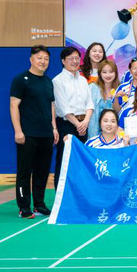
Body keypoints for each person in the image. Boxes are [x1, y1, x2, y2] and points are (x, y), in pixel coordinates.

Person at [10, 45, 58, 219]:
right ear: (31, 59)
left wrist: (54, 128)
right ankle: (24, 207)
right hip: (27, 134)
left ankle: (39, 204)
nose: (43, 61)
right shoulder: (21, 79)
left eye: (46, 58)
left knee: (42, 172)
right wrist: (18, 131)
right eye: (39, 58)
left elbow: (51, 106)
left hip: (46, 134)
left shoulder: (48, 82)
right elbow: (14, 105)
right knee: (24, 172)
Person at [53, 47, 94, 188]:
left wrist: (86, 122)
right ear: (63, 61)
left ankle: (79, 194)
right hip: (67, 125)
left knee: (81, 160)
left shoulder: (83, 80)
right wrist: (78, 124)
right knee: (64, 160)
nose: (75, 61)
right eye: (71, 58)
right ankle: (61, 194)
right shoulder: (58, 81)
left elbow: (90, 103)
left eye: (77, 58)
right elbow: (64, 108)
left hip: (84, 124)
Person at [88, 60, 120, 138]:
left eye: (111, 72)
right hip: (94, 130)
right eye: (104, 72)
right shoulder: (93, 88)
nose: (108, 75)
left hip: (114, 133)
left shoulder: (120, 89)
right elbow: (90, 111)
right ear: (100, 74)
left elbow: (120, 112)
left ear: (115, 73)